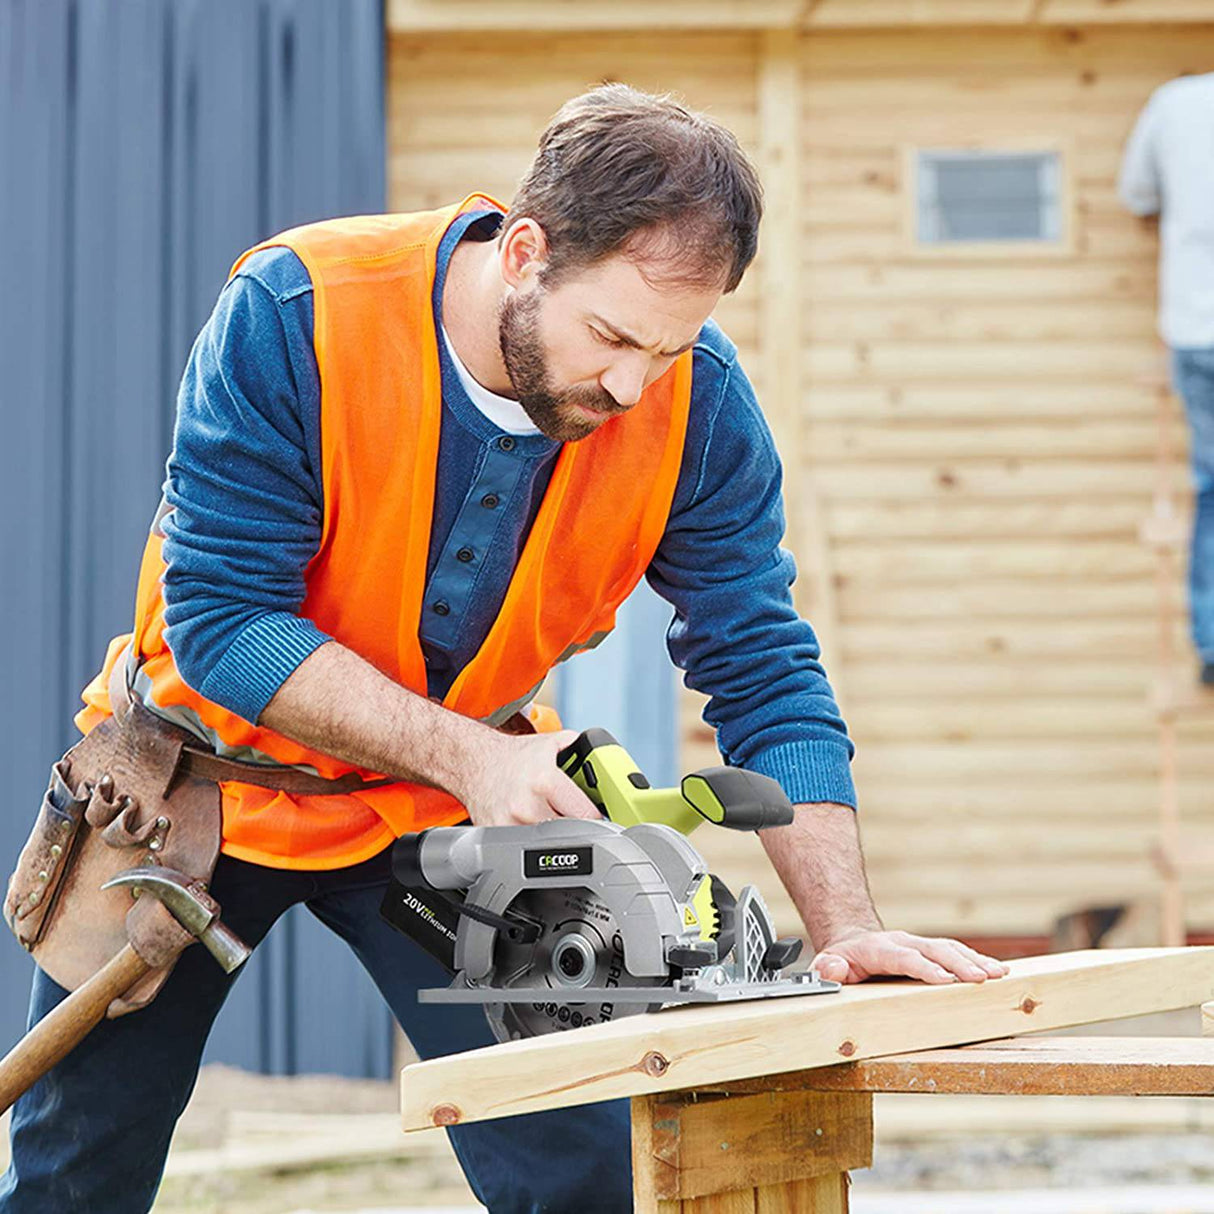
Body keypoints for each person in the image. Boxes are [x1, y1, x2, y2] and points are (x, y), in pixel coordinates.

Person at [0, 84, 1007, 1214]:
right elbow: (226, 621)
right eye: (613, 336)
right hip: (195, 786)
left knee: (584, 1166)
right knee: (75, 1164)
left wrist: (845, 927)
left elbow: (760, 661)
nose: (632, 386)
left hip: (451, 804)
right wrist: (478, 761)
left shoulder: (695, 406)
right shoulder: (297, 310)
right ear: (524, 250)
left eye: (671, 348)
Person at [1119, 71, 1214, 684]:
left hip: (1197, 323)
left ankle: (1211, 641)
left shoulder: (1175, 104)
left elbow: (1137, 195)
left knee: (1211, 482)